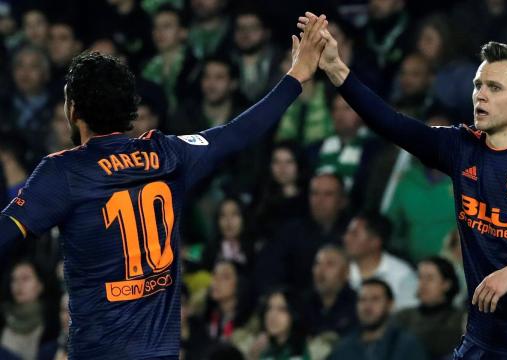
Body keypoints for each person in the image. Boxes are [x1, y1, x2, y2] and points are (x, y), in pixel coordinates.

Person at [0, 13, 328, 358]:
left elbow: (7, 233)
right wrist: (297, 76)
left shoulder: (63, 171)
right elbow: (238, 132)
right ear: (130, 109)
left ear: (72, 110)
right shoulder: (168, 154)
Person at [298, 13, 507, 358]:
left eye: (494, 88)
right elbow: (393, 124)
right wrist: (337, 71)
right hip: (480, 338)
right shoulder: (461, 146)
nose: (480, 95)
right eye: (479, 85)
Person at [328, 278, 426, 360]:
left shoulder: (407, 347)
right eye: (362, 300)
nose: (367, 306)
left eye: (375, 299)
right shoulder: (344, 348)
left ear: (390, 305)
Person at [394, 256, 465, 360]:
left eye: (429, 278)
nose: (422, 284)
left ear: (446, 284)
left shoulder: (461, 319)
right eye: (420, 278)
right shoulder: (403, 317)